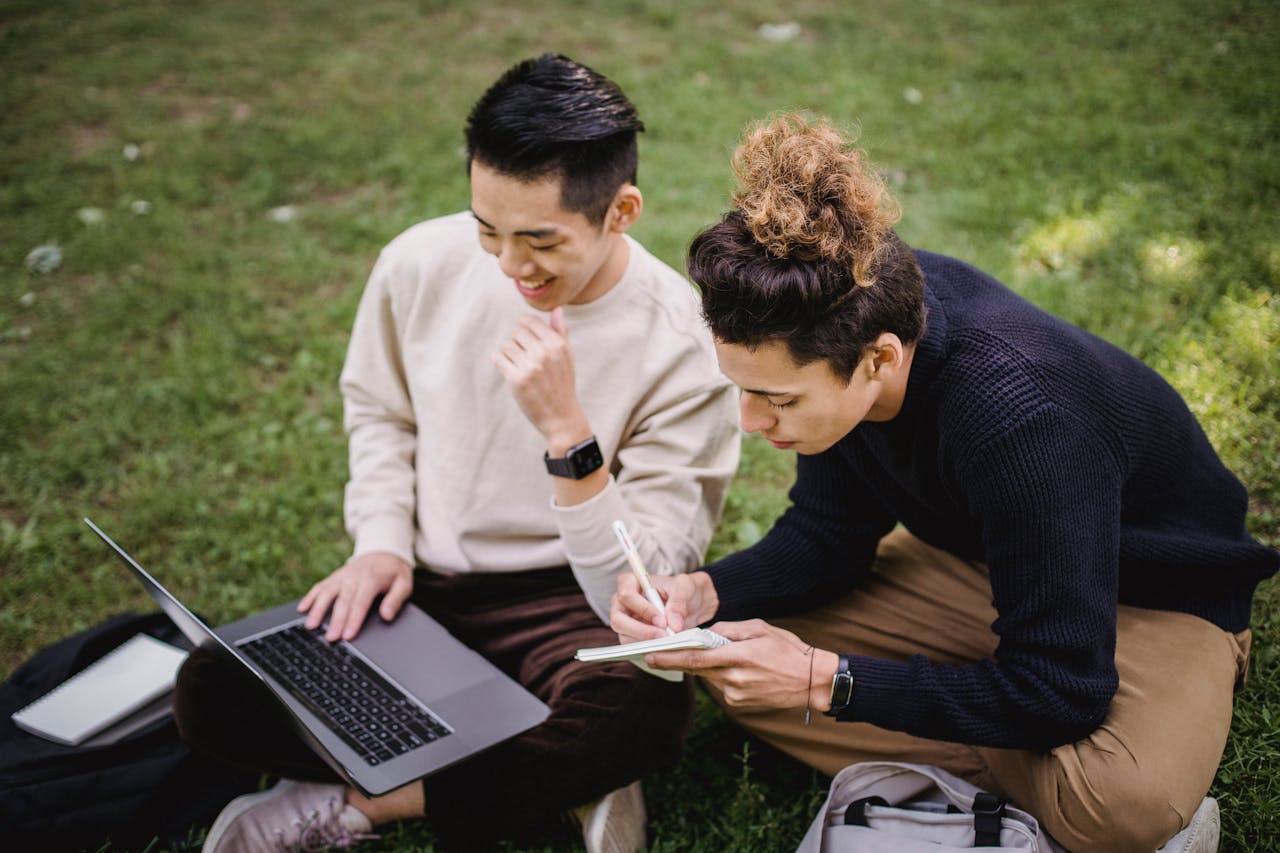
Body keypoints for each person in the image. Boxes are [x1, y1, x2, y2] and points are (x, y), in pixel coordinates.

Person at [610, 114, 1279, 853]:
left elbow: (1063, 689)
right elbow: (828, 535)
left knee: (1118, 803)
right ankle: (1002, 733)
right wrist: (704, 594)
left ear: (880, 359)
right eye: (743, 389)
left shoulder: (1022, 420)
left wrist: (824, 683)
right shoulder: (845, 307)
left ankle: (1041, 750)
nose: (751, 420)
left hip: (1158, 597)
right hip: (982, 563)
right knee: (730, 658)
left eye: (779, 399)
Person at [175, 54, 740, 853]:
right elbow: (379, 410)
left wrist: (569, 436)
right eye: (488, 230)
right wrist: (379, 542)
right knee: (211, 691)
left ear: (622, 212)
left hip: (572, 607)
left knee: (644, 703)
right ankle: (541, 779)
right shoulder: (419, 262)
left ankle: (372, 799)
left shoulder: (684, 343)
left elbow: (643, 587)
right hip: (429, 589)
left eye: (539, 240)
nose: (510, 266)